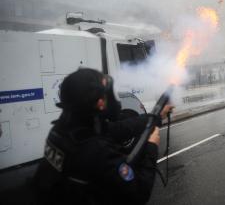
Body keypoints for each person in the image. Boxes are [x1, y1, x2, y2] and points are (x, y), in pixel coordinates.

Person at [33, 68, 172, 205]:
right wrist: (151, 147)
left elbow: (119, 129)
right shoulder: (97, 151)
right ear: (100, 103)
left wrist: (156, 117)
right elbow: (139, 192)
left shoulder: (62, 130)